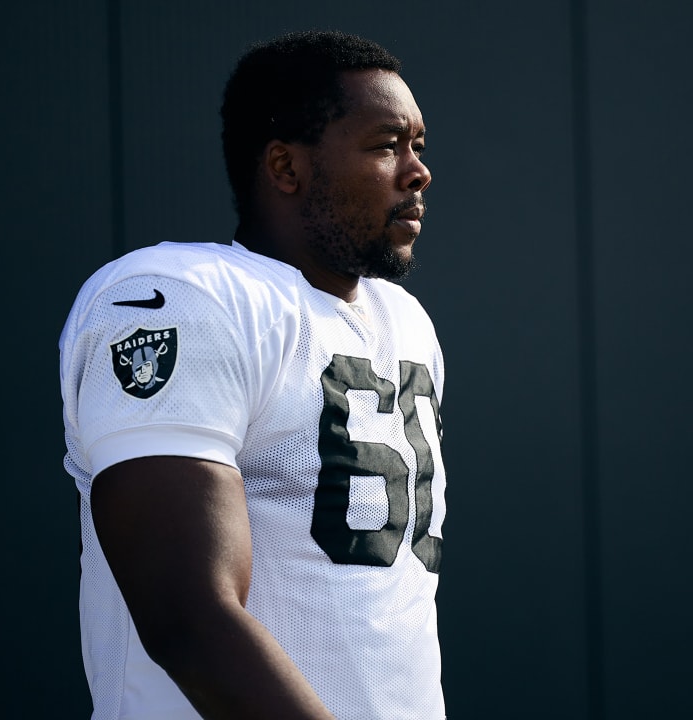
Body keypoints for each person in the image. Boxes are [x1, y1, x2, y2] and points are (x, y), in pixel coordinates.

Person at [58, 30, 446, 719]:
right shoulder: (182, 297)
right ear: (285, 167)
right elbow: (187, 615)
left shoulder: (404, 320)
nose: (417, 171)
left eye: (418, 145)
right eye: (387, 145)